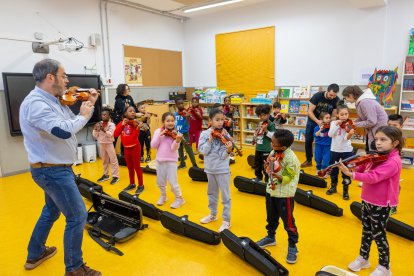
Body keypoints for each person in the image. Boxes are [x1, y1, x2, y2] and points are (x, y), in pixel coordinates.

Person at [19, 59, 101, 275]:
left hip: (55, 168)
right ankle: (74, 268)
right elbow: (64, 131)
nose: (68, 80)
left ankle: (35, 252)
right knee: (77, 216)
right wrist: (84, 114)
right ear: (50, 77)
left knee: (51, 210)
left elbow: (71, 123)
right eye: (64, 76)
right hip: (52, 171)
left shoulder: (54, 100)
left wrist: (88, 107)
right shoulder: (36, 104)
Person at [338, 126, 403, 276]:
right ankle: (363, 258)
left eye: (383, 140)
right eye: (376, 139)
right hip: (368, 199)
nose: (378, 143)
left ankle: (385, 266)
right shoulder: (376, 156)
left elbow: (374, 177)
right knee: (366, 230)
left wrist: (351, 175)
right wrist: (353, 167)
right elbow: (363, 167)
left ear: (395, 144)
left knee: (378, 234)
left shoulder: (393, 161)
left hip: (381, 204)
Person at [256, 129, 300, 264]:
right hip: (271, 190)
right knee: (271, 216)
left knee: (288, 222)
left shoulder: (292, 159)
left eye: (273, 144)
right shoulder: (274, 152)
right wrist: (267, 167)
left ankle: (293, 246)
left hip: (284, 194)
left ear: (283, 147)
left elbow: (289, 177)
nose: (271, 146)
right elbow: (269, 168)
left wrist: (279, 176)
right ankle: (271, 237)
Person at [198, 108, 233, 232]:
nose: (220, 122)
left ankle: (226, 220)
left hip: (222, 169)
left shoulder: (226, 135)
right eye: (217, 120)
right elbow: (202, 152)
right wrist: (210, 140)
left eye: (222, 120)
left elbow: (222, 156)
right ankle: (213, 214)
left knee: (225, 196)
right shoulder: (204, 134)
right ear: (210, 120)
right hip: (209, 169)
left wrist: (228, 150)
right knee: (211, 193)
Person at [151, 112, 185, 208]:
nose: (170, 123)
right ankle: (163, 196)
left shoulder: (176, 133)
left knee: (173, 182)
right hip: (160, 160)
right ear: (163, 122)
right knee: (160, 181)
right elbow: (153, 145)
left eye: (172, 121)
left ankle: (179, 198)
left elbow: (173, 149)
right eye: (168, 121)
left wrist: (177, 141)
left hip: (171, 161)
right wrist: (160, 135)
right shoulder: (158, 131)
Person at [302, 83, 340, 168]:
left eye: (334, 95)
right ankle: (308, 160)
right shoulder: (317, 96)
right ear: (327, 90)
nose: (332, 97)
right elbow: (310, 111)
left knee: (326, 142)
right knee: (308, 140)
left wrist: (328, 121)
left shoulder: (336, 99)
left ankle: (325, 162)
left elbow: (334, 115)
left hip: (326, 123)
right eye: (331, 94)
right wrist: (317, 121)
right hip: (313, 121)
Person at [342, 86, 388, 151]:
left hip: (377, 132)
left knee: (374, 153)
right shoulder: (361, 101)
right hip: (374, 131)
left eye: (345, 98)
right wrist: (352, 122)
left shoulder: (365, 102)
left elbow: (372, 121)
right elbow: (363, 117)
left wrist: (355, 124)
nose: (346, 100)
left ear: (350, 95)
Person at [326, 105, 355, 200]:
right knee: (333, 169)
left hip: (346, 150)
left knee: (346, 170)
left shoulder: (349, 124)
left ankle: (345, 190)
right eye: (342, 114)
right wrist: (337, 125)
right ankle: (333, 186)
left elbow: (346, 138)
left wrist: (350, 134)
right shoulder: (334, 123)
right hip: (334, 150)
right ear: (337, 115)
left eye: (346, 114)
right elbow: (330, 134)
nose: (344, 116)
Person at [114, 106, 144, 194]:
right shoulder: (122, 123)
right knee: (130, 167)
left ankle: (141, 185)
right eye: (130, 111)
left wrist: (138, 129)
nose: (133, 112)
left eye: (134, 111)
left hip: (135, 147)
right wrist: (122, 124)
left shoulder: (135, 124)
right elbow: (115, 134)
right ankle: (132, 184)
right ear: (125, 114)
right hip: (127, 149)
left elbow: (133, 138)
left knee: (137, 167)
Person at [93, 107, 120, 184]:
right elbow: (95, 135)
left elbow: (110, 134)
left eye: (105, 115)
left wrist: (103, 129)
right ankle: (106, 175)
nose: (103, 116)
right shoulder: (99, 123)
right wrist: (95, 129)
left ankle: (115, 176)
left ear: (109, 116)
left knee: (113, 160)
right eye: (102, 115)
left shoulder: (112, 125)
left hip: (109, 144)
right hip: (101, 144)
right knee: (104, 161)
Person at [253, 105, 276, 183]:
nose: (262, 117)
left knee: (266, 165)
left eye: (264, 115)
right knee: (257, 164)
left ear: (268, 114)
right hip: (258, 148)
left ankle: (267, 179)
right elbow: (257, 134)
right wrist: (255, 136)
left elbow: (273, 136)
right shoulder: (260, 123)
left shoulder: (271, 124)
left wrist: (266, 131)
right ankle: (258, 177)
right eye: (260, 115)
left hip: (266, 149)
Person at [112, 84, 135, 156]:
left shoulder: (129, 97)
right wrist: (135, 114)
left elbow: (133, 107)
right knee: (115, 137)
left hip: (126, 120)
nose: (128, 90)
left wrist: (138, 112)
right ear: (122, 90)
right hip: (118, 120)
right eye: (127, 89)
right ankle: (111, 154)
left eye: (128, 89)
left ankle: (123, 154)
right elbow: (124, 110)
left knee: (124, 136)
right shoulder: (118, 100)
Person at [174, 99, 198, 169]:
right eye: (179, 104)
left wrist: (188, 117)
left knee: (189, 149)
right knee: (179, 149)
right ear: (176, 105)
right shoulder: (175, 114)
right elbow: (175, 123)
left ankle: (194, 164)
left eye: (182, 104)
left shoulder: (186, 113)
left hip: (184, 134)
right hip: (178, 133)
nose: (181, 105)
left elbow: (187, 123)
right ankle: (182, 163)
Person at [387, 114, 403, 215]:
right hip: (387, 163)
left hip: (394, 163)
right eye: (389, 125)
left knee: (395, 185)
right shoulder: (386, 135)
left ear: (401, 126)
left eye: (395, 125)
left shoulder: (400, 138)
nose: (391, 128)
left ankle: (393, 205)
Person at [313, 112, 332, 176]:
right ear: (321, 119)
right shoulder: (316, 127)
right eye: (326, 118)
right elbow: (315, 135)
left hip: (327, 146)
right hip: (318, 145)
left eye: (329, 118)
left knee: (326, 160)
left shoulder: (331, 127)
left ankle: (325, 171)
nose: (329, 119)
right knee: (317, 158)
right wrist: (320, 130)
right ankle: (318, 170)